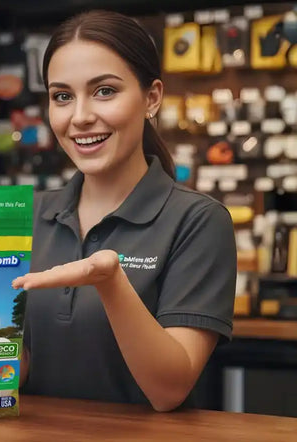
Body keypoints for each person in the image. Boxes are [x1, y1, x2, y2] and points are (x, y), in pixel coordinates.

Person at [12, 10, 236, 412]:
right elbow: (16, 372)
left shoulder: (198, 221)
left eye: (104, 91)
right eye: (62, 96)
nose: (80, 117)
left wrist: (110, 280)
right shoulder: (27, 215)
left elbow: (169, 390)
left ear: (151, 98)